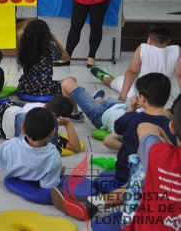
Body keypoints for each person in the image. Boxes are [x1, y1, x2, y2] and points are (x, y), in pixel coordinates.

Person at [51, 102, 181, 225]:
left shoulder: (160, 154)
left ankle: (93, 203)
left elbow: (145, 127)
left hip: (143, 224)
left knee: (143, 172)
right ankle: (93, 203)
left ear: (172, 127)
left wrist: (170, 149)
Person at [90, 24, 181, 102]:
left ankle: (105, 78)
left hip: (141, 94)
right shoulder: (177, 50)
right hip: (163, 95)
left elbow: (132, 72)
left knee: (117, 82)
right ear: (168, 40)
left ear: (149, 39)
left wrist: (123, 96)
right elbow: (179, 74)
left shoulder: (143, 48)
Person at [111, 73, 175, 182]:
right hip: (158, 178)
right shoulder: (172, 126)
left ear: (143, 98)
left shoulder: (131, 118)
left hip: (125, 174)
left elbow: (118, 128)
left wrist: (131, 107)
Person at [16, 19, 82, 120]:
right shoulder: (49, 49)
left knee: (62, 80)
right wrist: (54, 39)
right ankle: (75, 112)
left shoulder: (24, 49)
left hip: (26, 87)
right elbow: (66, 57)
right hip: (44, 88)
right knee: (72, 79)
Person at [0, 95, 81, 154]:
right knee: (21, 112)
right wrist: (68, 123)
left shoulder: (37, 107)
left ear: (45, 105)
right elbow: (75, 147)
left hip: (4, 110)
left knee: (18, 106)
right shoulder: (46, 131)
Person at [61, 79, 130, 134]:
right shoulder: (139, 120)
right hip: (119, 105)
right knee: (107, 100)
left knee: (67, 83)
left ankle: (75, 114)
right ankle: (98, 100)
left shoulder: (128, 132)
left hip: (101, 115)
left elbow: (109, 141)